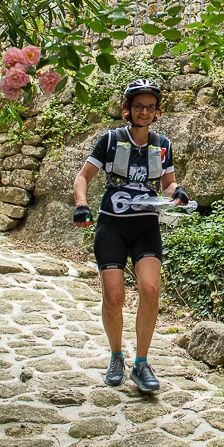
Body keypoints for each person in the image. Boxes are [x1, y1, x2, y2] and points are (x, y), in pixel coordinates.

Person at [72, 79, 189, 393]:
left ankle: (141, 363)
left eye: (150, 106)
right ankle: (115, 356)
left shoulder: (162, 143)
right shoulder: (110, 140)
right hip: (112, 224)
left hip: (146, 226)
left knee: (150, 289)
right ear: (128, 108)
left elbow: (167, 184)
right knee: (114, 297)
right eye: (139, 106)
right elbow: (83, 177)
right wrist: (82, 205)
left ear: (157, 110)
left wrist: (178, 193)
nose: (145, 112)